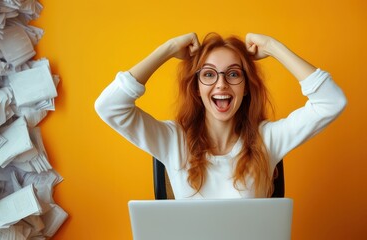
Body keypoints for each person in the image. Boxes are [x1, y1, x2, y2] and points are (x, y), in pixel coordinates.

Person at [94, 32, 346, 199]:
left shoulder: (268, 139)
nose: (221, 84)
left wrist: (273, 47)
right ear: (197, 87)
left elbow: (331, 101)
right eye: (209, 74)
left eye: (233, 74)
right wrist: (168, 49)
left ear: (246, 87)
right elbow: (109, 106)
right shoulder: (173, 140)